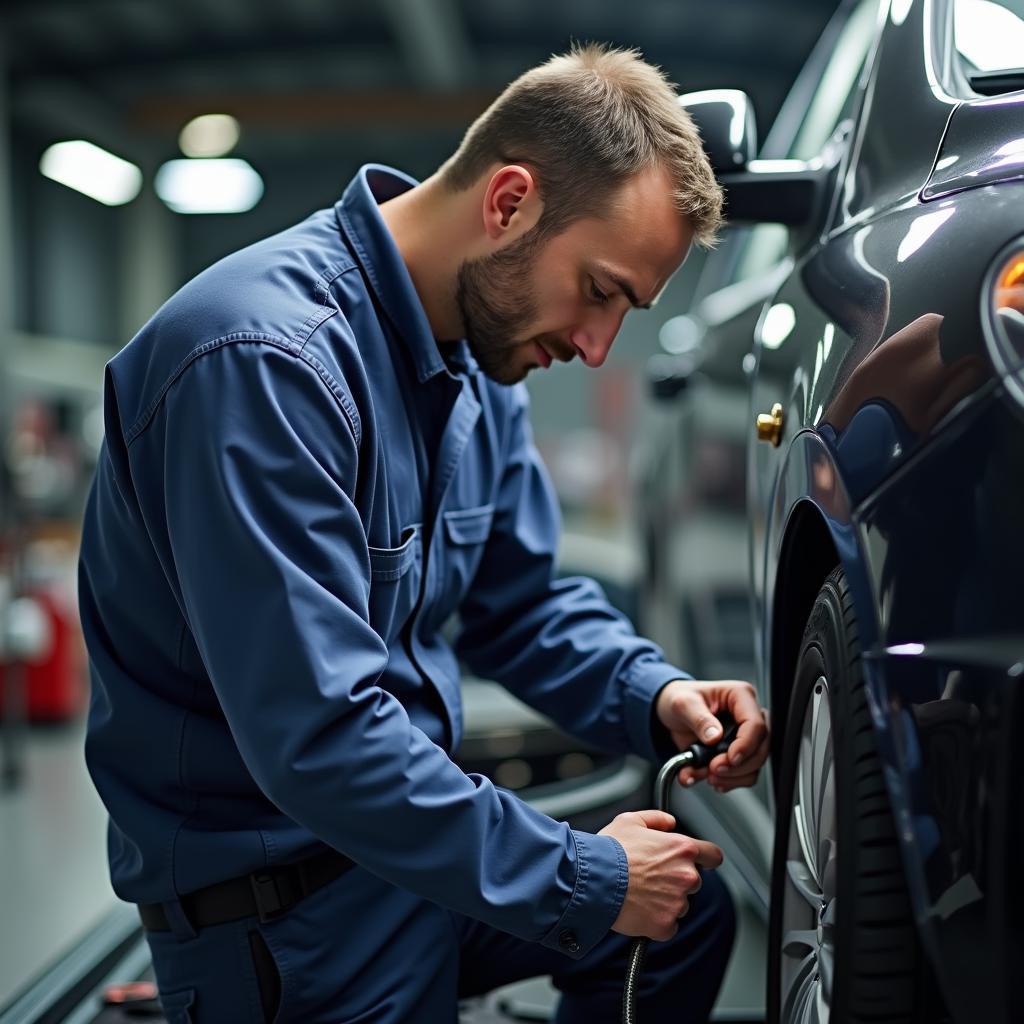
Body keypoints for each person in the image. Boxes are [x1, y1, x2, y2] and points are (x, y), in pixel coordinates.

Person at [78, 43, 770, 1024]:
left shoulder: (474, 374)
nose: (597, 346)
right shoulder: (263, 364)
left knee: (679, 921)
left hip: (403, 861)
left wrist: (652, 695)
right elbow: (321, 738)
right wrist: (584, 873)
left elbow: (518, 602)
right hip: (286, 925)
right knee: (617, 897)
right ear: (509, 202)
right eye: (602, 290)